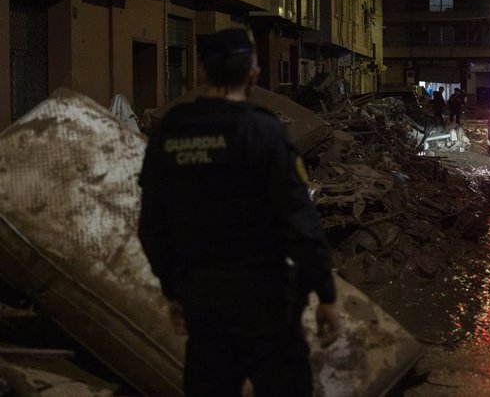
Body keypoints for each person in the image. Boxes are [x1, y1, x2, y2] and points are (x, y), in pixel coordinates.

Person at [137, 27, 341, 397]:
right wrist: (325, 295)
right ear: (253, 73)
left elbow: (151, 227)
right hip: (266, 302)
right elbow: (300, 221)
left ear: (201, 71)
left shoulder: (170, 132)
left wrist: (174, 288)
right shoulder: (263, 131)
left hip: (203, 300)